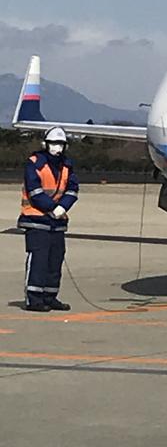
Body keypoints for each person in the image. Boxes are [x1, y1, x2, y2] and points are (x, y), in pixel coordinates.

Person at [17, 126, 79, 312]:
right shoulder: (35, 163)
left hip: (57, 222)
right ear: (45, 144)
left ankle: (50, 296)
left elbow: (73, 188)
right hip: (37, 219)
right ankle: (34, 299)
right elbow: (35, 191)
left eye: (60, 144)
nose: (57, 147)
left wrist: (63, 207)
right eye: (53, 143)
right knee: (39, 259)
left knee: (55, 260)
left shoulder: (67, 165)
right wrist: (53, 208)